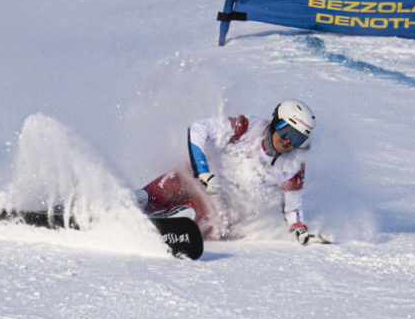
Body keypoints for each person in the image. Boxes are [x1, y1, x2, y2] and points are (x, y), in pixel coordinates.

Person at [134, 99, 323, 245]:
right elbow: (199, 128)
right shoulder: (247, 128)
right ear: (275, 123)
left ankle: (165, 224)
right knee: (170, 186)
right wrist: (202, 171)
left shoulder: (293, 165)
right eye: (286, 132)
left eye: (297, 139)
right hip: (198, 178)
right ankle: (132, 203)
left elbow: (293, 208)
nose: (288, 142)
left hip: (221, 207)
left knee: (205, 218)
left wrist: (300, 230)